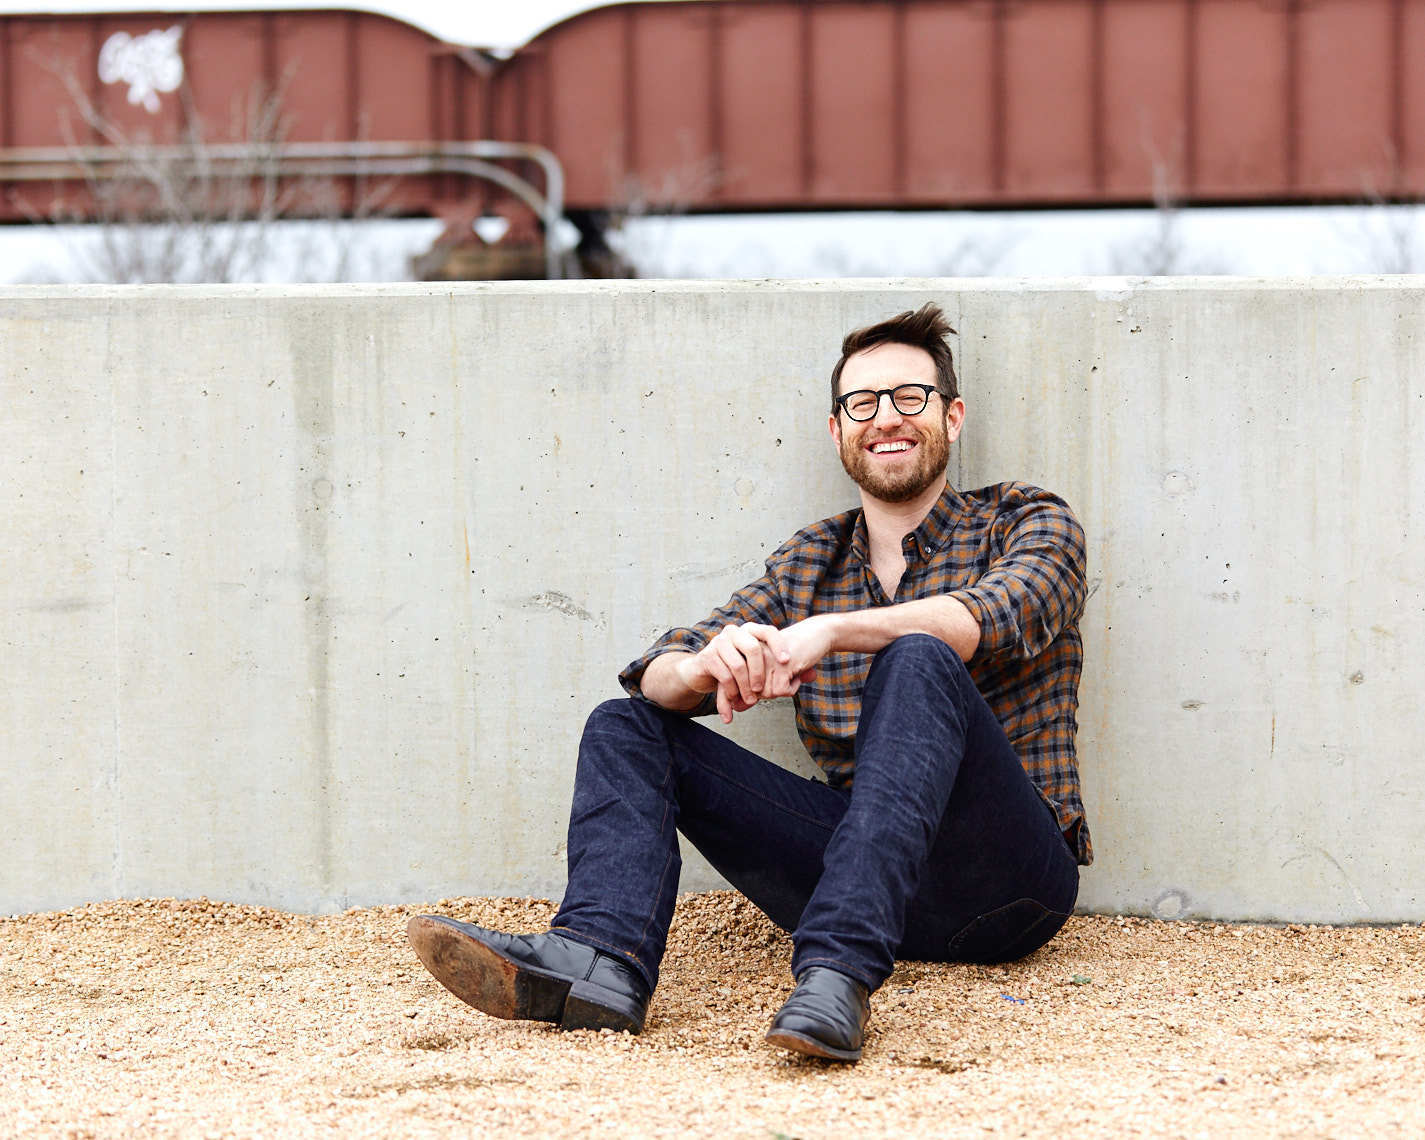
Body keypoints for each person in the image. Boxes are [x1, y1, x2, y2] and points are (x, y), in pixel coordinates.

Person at [407, 302, 1090, 1063]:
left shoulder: (1026, 519)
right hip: (861, 873)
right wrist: (703, 667)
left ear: (950, 416)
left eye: (909, 397)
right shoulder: (810, 561)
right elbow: (664, 668)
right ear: (837, 430)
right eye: (861, 403)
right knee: (626, 721)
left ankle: (834, 976)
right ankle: (600, 961)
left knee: (917, 655)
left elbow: (986, 617)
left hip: (1005, 884)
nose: (885, 418)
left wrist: (833, 630)